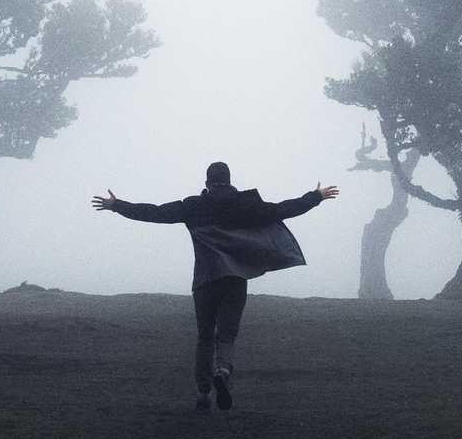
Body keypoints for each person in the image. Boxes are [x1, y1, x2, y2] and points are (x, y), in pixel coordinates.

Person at [92, 162, 339, 411]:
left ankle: (203, 393)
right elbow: (284, 209)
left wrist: (116, 205)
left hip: (205, 281)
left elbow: (154, 213)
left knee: (205, 338)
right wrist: (316, 196)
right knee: (227, 334)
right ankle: (222, 371)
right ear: (229, 180)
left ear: (207, 182)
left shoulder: (194, 206)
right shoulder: (246, 206)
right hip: (235, 279)